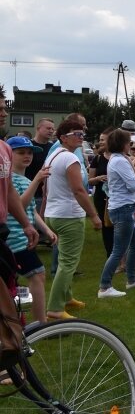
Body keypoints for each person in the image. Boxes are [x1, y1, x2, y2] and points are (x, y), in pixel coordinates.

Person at [44, 119, 102, 320]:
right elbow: (79, 190)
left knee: (63, 260)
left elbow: (46, 189)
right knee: (68, 263)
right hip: (68, 215)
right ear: (63, 137)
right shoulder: (69, 159)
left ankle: (66, 298)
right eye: (76, 134)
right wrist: (94, 215)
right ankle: (55, 309)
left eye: (82, 134)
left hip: (54, 214)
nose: (81, 137)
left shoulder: (53, 156)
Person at [6, 136, 57, 323]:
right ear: (9, 155)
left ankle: (25, 319)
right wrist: (36, 181)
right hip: (15, 239)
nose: (27, 156)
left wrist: (46, 230)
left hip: (26, 237)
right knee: (37, 274)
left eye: (29, 153)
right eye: (21, 153)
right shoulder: (10, 180)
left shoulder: (23, 179)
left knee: (28, 278)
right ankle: (41, 323)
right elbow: (18, 205)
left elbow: (31, 211)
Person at [97, 129, 135, 298]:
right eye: (129, 143)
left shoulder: (120, 159)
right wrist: (131, 164)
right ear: (123, 144)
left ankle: (132, 279)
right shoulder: (120, 161)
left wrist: (130, 162)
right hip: (123, 209)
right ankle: (105, 286)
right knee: (119, 249)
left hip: (125, 208)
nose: (132, 145)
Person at [88, 128, 115, 257]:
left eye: (102, 140)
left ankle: (123, 256)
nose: (100, 142)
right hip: (101, 197)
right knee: (107, 226)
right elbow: (90, 181)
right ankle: (110, 254)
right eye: (100, 140)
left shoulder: (120, 157)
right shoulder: (97, 159)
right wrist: (98, 178)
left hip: (117, 197)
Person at [24, 118, 55, 212]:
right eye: (48, 128)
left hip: (48, 193)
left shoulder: (53, 147)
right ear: (38, 128)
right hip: (30, 191)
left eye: (52, 129)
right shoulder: (28, 146)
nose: (51, 131)